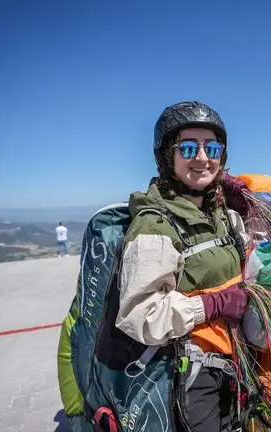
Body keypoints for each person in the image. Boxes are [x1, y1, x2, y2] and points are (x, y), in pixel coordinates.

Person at [110, 101, 248, 431]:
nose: (202, 157)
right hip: (191, 378)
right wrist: (214, 304)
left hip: (236, 364)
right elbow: (141, 315)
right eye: (188, 147)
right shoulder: (154, 226)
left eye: (212, 148)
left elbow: (256, 258)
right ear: (167, 158)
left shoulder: (223, 217)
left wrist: (250, 210)